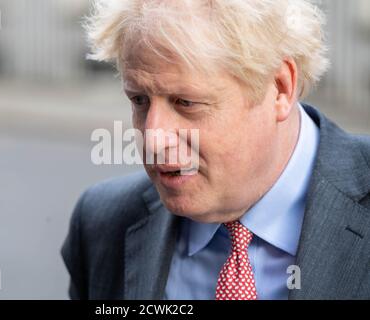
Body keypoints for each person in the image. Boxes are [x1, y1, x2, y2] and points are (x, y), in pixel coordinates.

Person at [61, 0, 370, 300]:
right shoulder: (103, 223)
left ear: (279, 88)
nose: (153, 139)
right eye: (139, 100)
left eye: (186, 103)